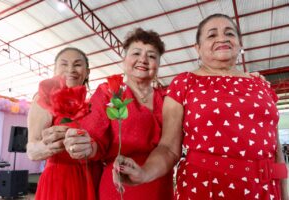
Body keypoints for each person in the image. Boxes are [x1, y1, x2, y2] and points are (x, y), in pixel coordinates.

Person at [113, 14, 288, 200]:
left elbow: (276, 152)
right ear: (197, 48)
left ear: (239, 44)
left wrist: (284, 194)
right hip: (204, 188)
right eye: (211, 35)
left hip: (264, 191)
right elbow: (169, 148)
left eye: (230, 33)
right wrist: (144, 173)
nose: (222, 38)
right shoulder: (184, 83)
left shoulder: (261, 85)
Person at [65, 28, 174, 200]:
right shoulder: (108, 93)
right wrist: (84, 146)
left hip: (159, 183)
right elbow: (94, 139)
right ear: (124, 60)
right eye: (136, 53)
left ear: (158, 64)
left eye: (152, 56)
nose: (143, 60)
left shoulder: (169, 98)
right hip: (119, 184)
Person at [27, 47, 96, 200]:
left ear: (87, 72)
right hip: (60, 180)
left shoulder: (91, 105)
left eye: (77, 64)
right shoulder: (44, 98)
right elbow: (31, 150)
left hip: (89, 177)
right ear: (55, 70)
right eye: (64, 64)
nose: (71, 69)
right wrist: (50, 146)